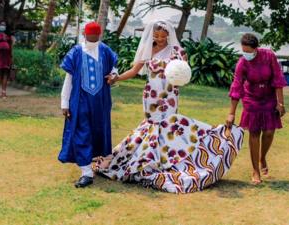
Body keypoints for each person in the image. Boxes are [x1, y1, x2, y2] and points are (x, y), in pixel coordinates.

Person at [98, 20, 244, 193]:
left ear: (169, 34)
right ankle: (149, 159)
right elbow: (134, 71)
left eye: (162, 35)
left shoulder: (178, 52)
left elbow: (185, 74)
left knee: (168, 125)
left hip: (169, 95)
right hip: (151, 94)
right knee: (151, 125)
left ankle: (168, 161)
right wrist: (117, 78)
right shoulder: (148, 49)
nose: (159, 39)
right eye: (156, 36)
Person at [59, 22, 119, 188]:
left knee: (99, 133)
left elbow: (114, 70)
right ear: (84, 35)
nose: (92, 41)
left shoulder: (106, 51)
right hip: (79, 101)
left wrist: (114, 76)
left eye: (95, 38)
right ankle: (86, 173)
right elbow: (68, 79)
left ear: (99, 36)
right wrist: (64, 102)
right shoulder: (76, 53)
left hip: (101, 102)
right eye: (89, 38)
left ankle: (99, 161)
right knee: (80, 133)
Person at [226, 33, 287, 185]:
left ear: (256, 49)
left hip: (269, 97)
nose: (245, 54)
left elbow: (277, 79)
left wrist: (280, 103)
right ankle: (255, 170)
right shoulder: (242, 63)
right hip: (251, 98)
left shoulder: (269, 56)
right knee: (254, 133)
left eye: (248, 51)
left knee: (269, 132)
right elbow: (236, 86)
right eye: (243, 51)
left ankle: (262, 157)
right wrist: (231, 113)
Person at [0, 21, 13, 99]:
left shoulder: (9, 36)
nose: (2, 26)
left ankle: (4, 93)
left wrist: (11, 57)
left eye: (4, 25)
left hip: (7, 56)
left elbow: (11, 47)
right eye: (1, 24)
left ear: (6, 27)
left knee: (5, 74)